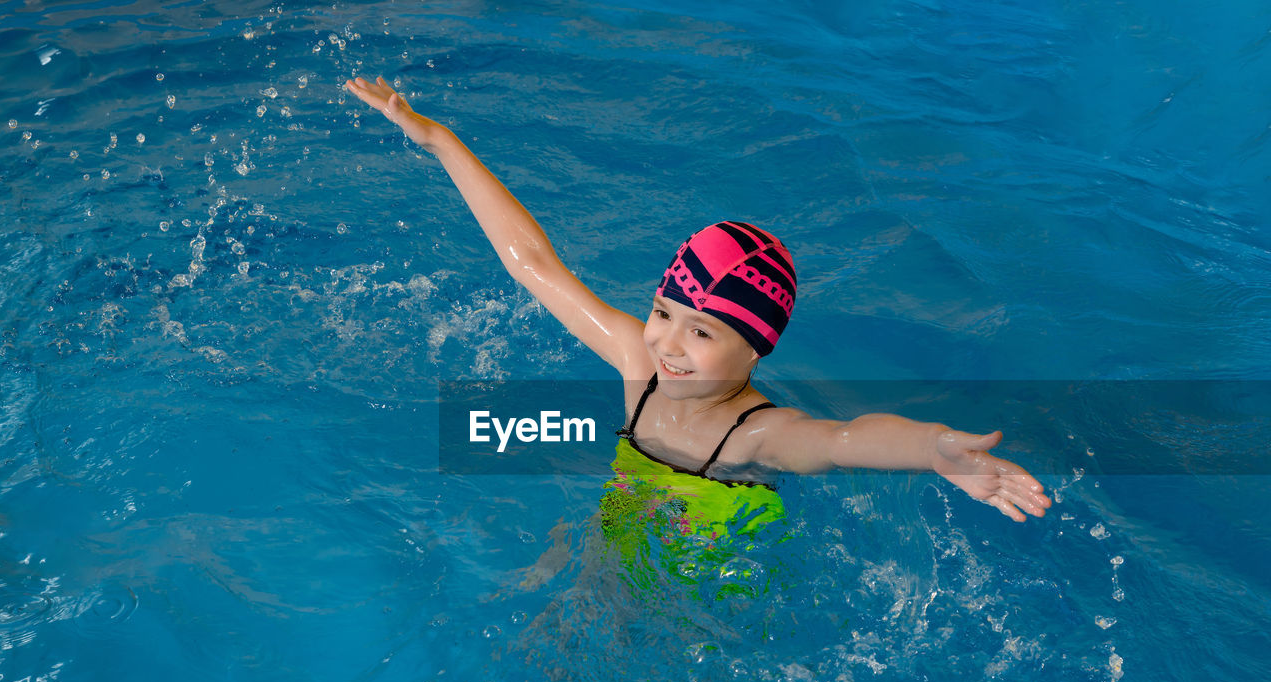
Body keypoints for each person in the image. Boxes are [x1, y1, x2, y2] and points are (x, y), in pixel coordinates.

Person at [345, 75, 1050, 525]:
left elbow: (843, 441)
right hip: (624, 527)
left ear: (757, 346)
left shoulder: (756, 436)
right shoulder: (638, 366)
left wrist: (933, 449)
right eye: (662, 314)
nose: (669, 343)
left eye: (703, 332)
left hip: (710, 575)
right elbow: (532, 265)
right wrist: (438, 141)